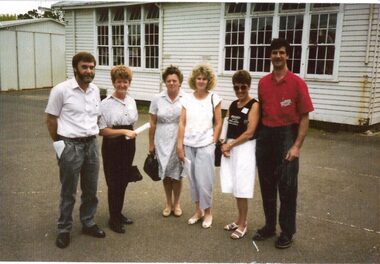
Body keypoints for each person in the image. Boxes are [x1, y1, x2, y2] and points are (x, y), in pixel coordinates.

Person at [252, 38, 314, 249]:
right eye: (274, 53)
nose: (277, 56)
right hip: (266, 136)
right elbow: (260, 113)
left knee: (287, 187)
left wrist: (296, 146)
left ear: (287, 55)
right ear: (270, 56)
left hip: (287, 135)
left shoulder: (297, 83)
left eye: (281, 52)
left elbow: (304, 117)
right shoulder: (263, 83)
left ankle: (287, 231)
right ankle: (270, 226)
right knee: (267, 185)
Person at [45, 52, 106, 249]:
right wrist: (59, 143)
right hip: (69, 145)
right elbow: (51, 119)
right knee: (68, 191)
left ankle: (88, 222)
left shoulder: (95, 90)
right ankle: (64, 229)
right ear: (75, 69)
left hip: (91, 145)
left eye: (91, 67)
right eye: (84, 67)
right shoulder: (61, 90)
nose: (89, 71)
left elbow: (95, 116)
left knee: (90, 189)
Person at [177, 63, 222, 229]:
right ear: (194, 80)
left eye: (204, 79)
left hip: (205, 145)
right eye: (198, 78)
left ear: (208, 81)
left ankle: (208, 212)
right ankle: (198, 211)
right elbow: (181, 122)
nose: (201, 81)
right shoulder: (186, 98)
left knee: (205, 181)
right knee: (193, 180)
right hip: (188, 145)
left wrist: (213, 141)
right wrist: (180, 145)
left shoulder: (214, 98)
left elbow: (218, 122)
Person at [220, 70, 260, 239]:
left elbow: (250, 132)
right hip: (231, 148)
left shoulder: (254, 105)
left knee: (242, 186)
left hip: (245, 149)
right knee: (235, 185)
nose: (240, 91)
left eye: (243, 87)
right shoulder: (233, 104)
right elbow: (226, 124)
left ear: (248, 86)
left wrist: (231, 144)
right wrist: (223, 144)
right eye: (236, 88)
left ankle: (243, 224)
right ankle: (239, 219)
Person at [98, 65, 138, 234]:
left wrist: (129, 133)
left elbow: (132, 123)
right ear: (113, 83)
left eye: (125, 82)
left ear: (129, 83)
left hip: (128, 145)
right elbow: (102, 131)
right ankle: (113, 219)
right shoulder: (105, 104)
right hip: (112, 145)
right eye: (119, 81)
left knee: (123, 181)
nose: (122, 85)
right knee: (113, 182)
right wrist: (123, 131)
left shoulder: (131, 100)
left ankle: (118, 213)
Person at [149, 66, 185, 217]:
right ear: (165, 82)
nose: (171, 83)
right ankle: (168, 203)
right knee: (165, 172)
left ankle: (176, 203)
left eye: (174, 80)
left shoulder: (186, 98)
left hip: (179, 138)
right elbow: (152, 123)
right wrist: (151, 144)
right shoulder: (157, 98)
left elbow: (188, 121)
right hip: (161, 138)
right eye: (168, 80)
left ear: (179, 82)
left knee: (177, 173)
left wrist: (183, 142)